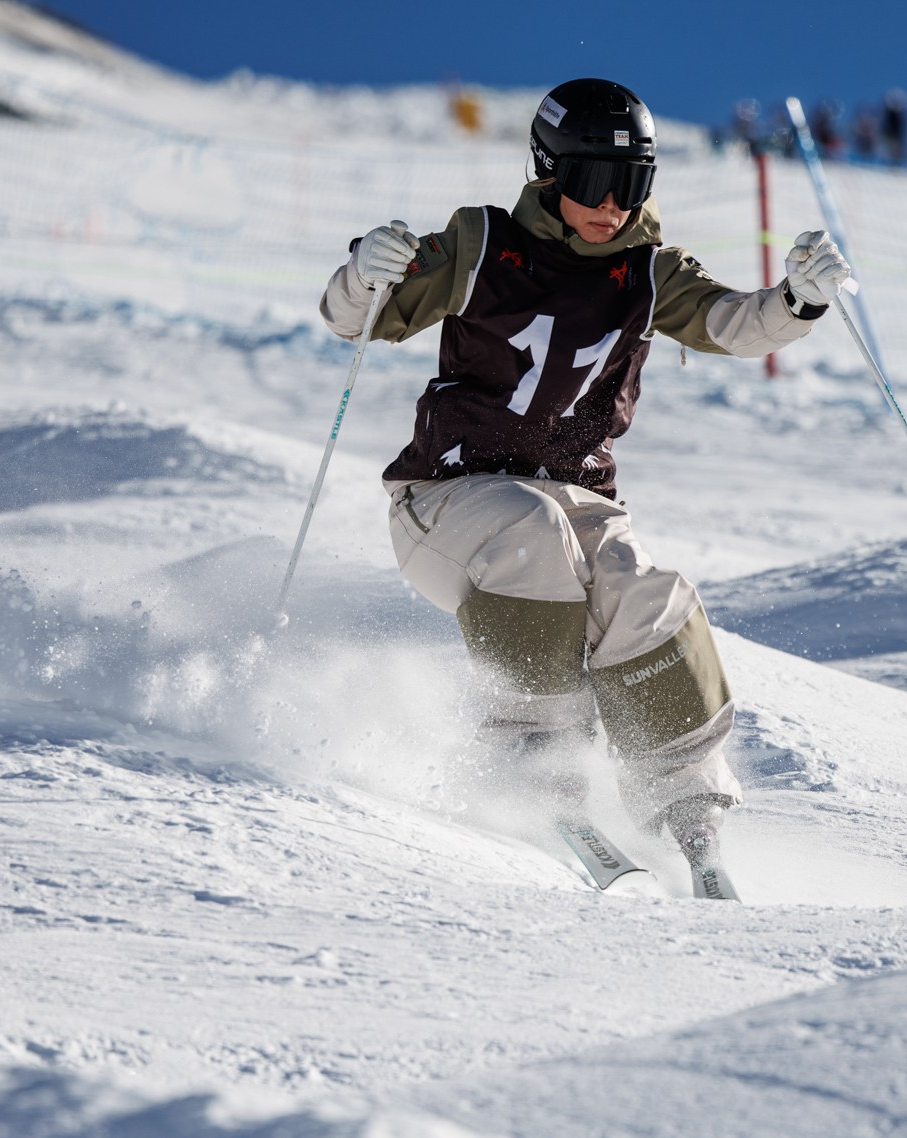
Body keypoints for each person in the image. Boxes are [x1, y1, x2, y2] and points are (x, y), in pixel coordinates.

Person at [318, 79, 852, 901]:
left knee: (646, 591)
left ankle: (688, 808)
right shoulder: (480, 246)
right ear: (548, 171)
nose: (611, 206)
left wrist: (799, 299)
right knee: (533, 532)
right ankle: (535, 766)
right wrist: (364, 274)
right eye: (592, 184)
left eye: (631, 186)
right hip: (449, 500)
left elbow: (731, 323)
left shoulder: (647, 271)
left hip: (578, 502)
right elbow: (359, 319)